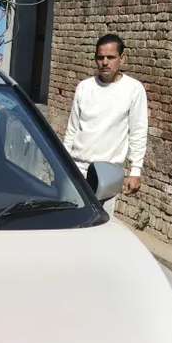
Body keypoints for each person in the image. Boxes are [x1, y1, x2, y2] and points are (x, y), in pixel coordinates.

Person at [62, 33, 148, 216]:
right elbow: (72, 129)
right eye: (100, 58)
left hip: (107, 174)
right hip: (77, 169)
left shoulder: (133, 90)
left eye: (111, 57)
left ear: (122, 59)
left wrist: (135, 171)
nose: (105, 62)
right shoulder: (84, 87)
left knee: (100, 227)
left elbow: (138, 132)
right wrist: (61, 163)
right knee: (70, 223)